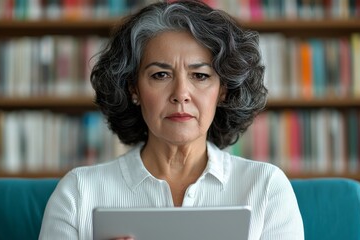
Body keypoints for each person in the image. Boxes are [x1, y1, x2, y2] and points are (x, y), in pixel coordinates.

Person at [39, 1, 304, 239]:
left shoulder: (266, 188)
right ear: (134, 89)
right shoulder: (79, 192)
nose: (180, 95)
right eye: (160, 75)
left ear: (222, 90)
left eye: (200, 76)